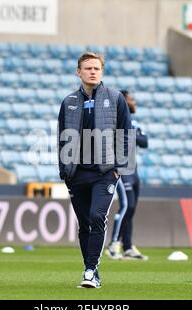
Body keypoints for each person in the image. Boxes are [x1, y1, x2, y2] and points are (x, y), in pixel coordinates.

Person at [58, 52, 132, 288]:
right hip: (77, 174)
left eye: (97, 68)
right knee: (84, 225)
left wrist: (119, 168)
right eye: (88, 68)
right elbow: (62, 139)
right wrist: (64, 171)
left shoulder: (116, 98)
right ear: (78, 72)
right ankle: (92, 269)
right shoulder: (68, 102)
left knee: (97, 217)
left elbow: (125, 133)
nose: (92, 72)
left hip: (105, 172)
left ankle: (90, 272)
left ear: (102, 71)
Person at [106, 90, 149, 260]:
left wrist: (131, 132)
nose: (134, 102)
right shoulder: (115, 122)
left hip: (134, 171)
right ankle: (113, 244)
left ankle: (128, 246)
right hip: (121, 170)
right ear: (123, 101)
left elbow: (144, 142)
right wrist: (132, 133)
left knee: (131, 209)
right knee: (126, 206)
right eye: (131, 99)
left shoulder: (134, 123)